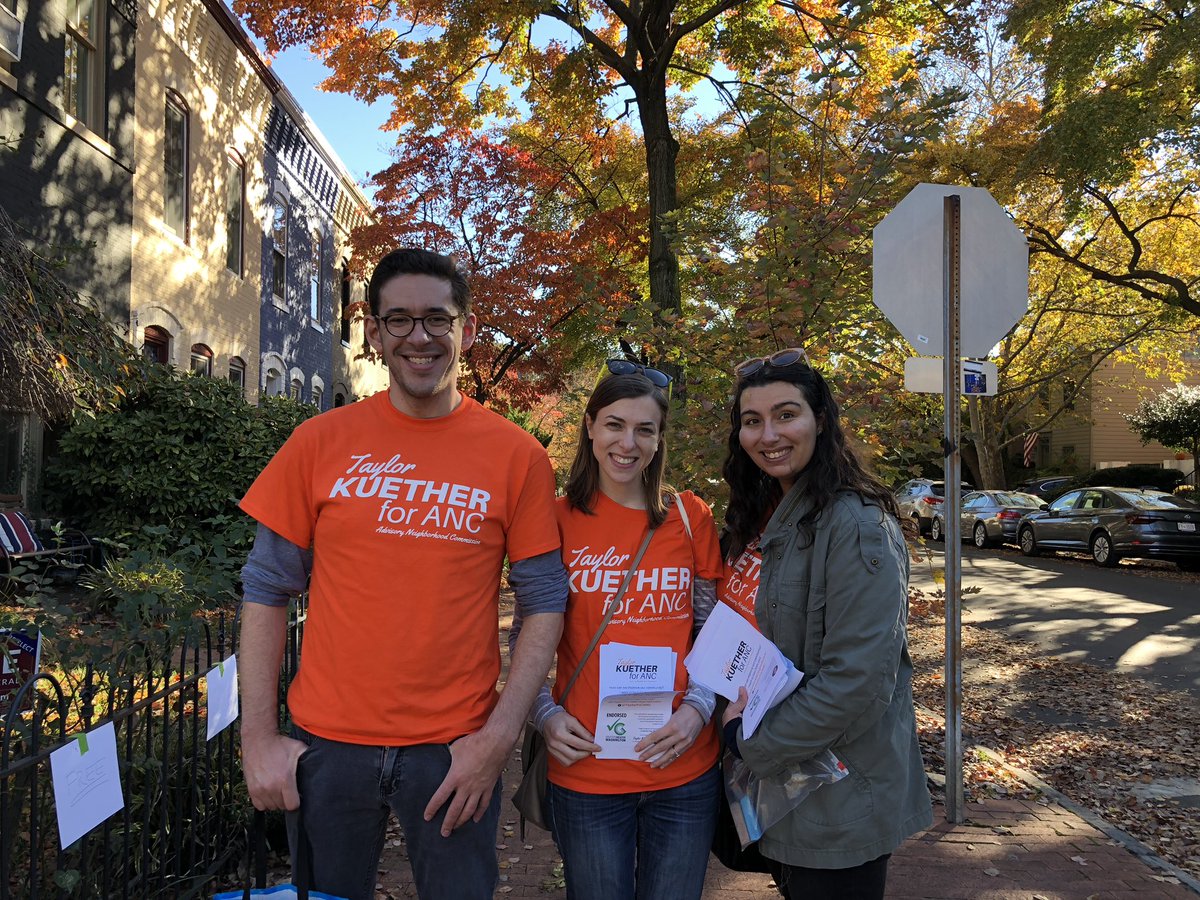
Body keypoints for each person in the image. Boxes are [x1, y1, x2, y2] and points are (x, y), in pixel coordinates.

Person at [237, 248, 567, 900]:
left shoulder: (517, 456)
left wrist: (497, 741)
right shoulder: (317, 443)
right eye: (399, 320)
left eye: (437, 319)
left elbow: (545, 598)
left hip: (454, 751)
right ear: (374, 333)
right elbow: (266, 589)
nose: (420, 337)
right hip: (326, 750)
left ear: (467, 331)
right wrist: (259, 739)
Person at [720, 347, 932, 900]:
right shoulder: (772, 514)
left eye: (786, 414)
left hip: (842, 793)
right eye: (752, 420)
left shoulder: (855, 523)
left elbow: (857, 682)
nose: (769, 434)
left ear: (820, 420)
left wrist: (749, 743)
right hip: (789, 792)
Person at [512, 365, 724, 900]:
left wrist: (697, 710)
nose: (627, 443)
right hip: (586, 773)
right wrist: (545, 714)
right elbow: (525, 637)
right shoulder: (555, 520)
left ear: (659, 439)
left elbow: (713, 632)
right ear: (589, 426)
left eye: (645, 430)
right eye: (614, 424)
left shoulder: (689, 516)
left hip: (682, 768)